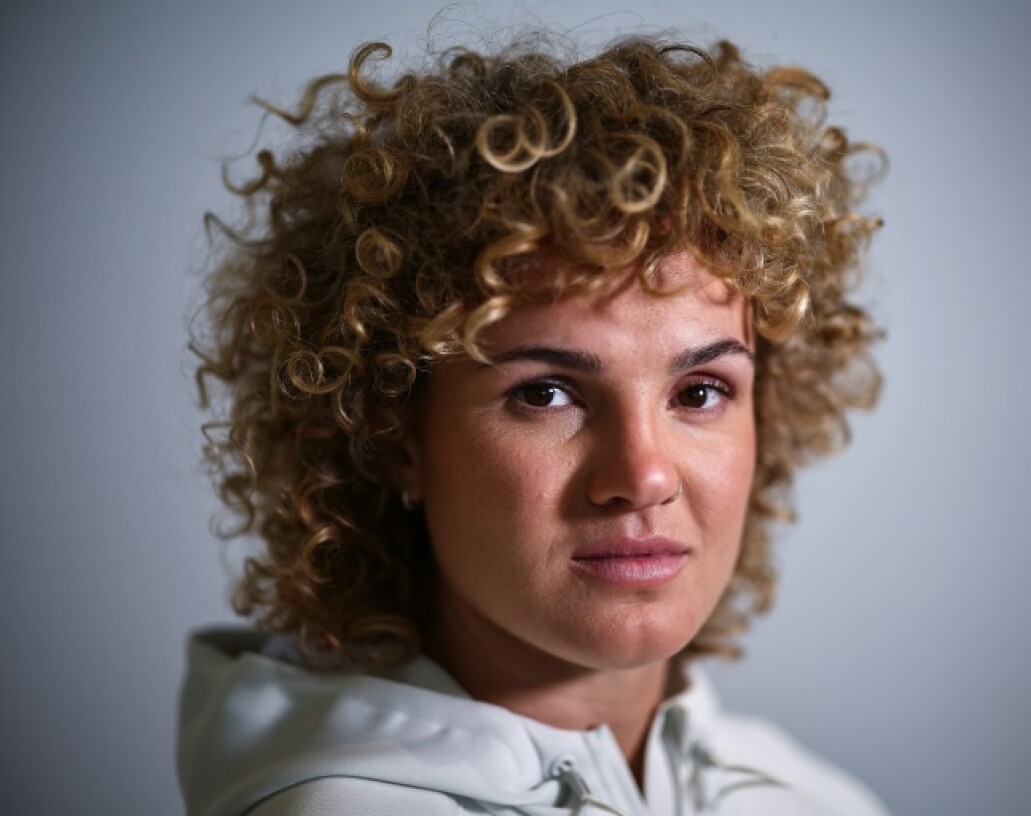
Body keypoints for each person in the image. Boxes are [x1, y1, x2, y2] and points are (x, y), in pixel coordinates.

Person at [179, 28, 888, 816]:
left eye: (698, 392)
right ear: (391, 435)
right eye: (546, 394)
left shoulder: (817, 800)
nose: (644, 475)